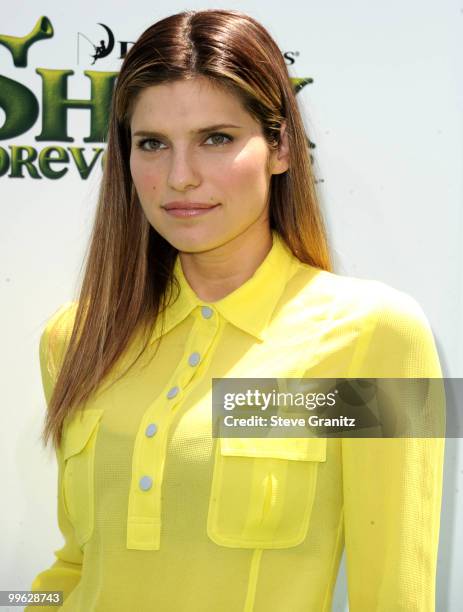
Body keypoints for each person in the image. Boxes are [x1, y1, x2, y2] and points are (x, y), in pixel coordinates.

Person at [26, 8, 445, 612]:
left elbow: (396, 598)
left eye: (216, 139)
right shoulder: (75, 335)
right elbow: (73, 567)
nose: (180, 177)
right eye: (152, 144)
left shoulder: (376, 335)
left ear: (281, 148)